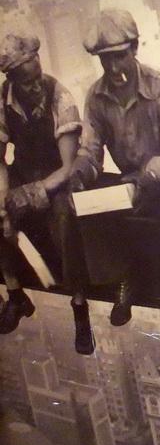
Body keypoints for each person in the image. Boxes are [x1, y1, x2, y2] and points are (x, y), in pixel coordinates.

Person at [68, 8, 160, 335]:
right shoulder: (96, 96)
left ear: (134, 49)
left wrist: (148, 178)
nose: (113, 67)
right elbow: (90, 150)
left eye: (119, 57)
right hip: (127, 182)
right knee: (89, 199)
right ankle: (123, 278)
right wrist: (80, 174)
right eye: (105, 60)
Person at [0, 33, 94, 354]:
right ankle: (15, 293)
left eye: (35, 64)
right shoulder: (3, 98)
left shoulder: (60, 97)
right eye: (23, 73)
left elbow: (68, 166)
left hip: (55, 178)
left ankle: (79, 306)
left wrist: (33, 191)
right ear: (12, 75)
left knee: (67, 218)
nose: (33, 79)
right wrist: (3, 198)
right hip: (22, 174)